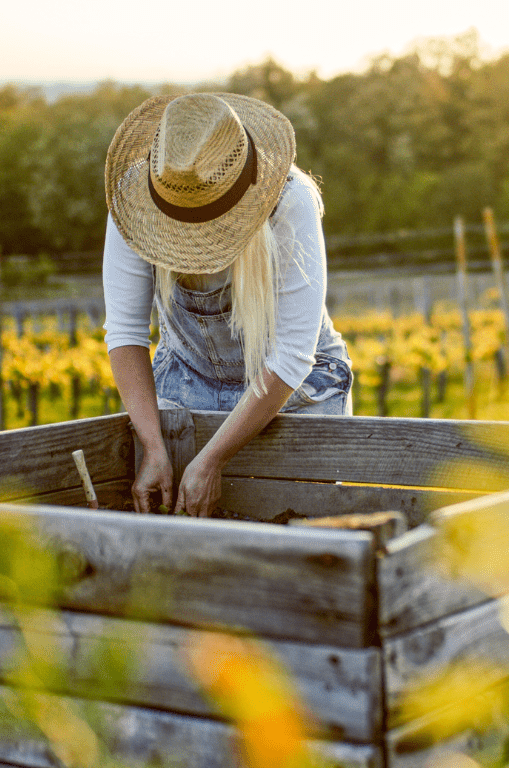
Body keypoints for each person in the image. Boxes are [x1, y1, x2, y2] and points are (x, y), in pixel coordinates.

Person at [102, 92, 353, 518]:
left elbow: (292, 354)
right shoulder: (134, 203)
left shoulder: (290, 201)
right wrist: (153, 446)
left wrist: (212, 459)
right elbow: (125, 332)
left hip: (293, 391)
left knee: (305, 545)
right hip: (187, 379)